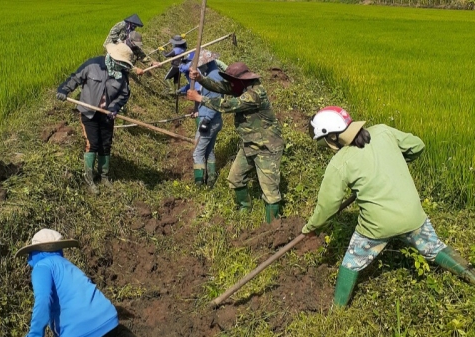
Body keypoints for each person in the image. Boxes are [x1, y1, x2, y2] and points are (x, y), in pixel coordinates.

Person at [302, 106, 475, 307]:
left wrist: (310, 228)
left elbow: (327, 207)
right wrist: (396, 161)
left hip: (377, 226)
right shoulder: (383, 131)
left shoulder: (340, 163)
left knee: (352, 262)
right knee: (435, 248)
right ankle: (470, 274)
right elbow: (417, 145)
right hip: (413, 215)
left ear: (331, 138)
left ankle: (336, 312)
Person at [187, 62, 284, 223]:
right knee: (235, 178)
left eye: (232, 81)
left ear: (242, 80)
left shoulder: (254, 94)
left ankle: (272, 227)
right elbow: (220, 87)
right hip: (249, 145)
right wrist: (201, 79)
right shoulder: (241, 87)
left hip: (267, 148)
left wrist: (200, 98)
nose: (230, 85)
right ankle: (245, 207)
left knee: (270, 192)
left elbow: (229, 105)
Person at [56, 43, 133, 195]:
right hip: (88, 111)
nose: (122, 66)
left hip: (107, 115)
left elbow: (124, 94)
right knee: (93, 144)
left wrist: (115, 107)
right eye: (120, 63)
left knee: (106, 144)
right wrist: (64, 90)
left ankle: (104, 176)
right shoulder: (92, 65)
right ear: (113, 58)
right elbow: (75, 78)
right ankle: (89, 179)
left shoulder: (122, 75)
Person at [16, 228, 120, 337]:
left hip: (82, 330)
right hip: (109, 320)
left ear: (33, 252)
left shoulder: (41, 266)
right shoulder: (67, 264)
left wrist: (34, 335)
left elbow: (43, 299)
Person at [188, 50, 224, 187]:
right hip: (213, 120)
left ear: (206, 64)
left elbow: (215, 101)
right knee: (209, 151)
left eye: (200, 66)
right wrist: (199, 111)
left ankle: (199, 184)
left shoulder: (214, 77)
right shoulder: (211, 74)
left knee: (197, 153)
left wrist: (206, 120)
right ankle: (211, 180)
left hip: (210, 121)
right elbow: (207, 99)